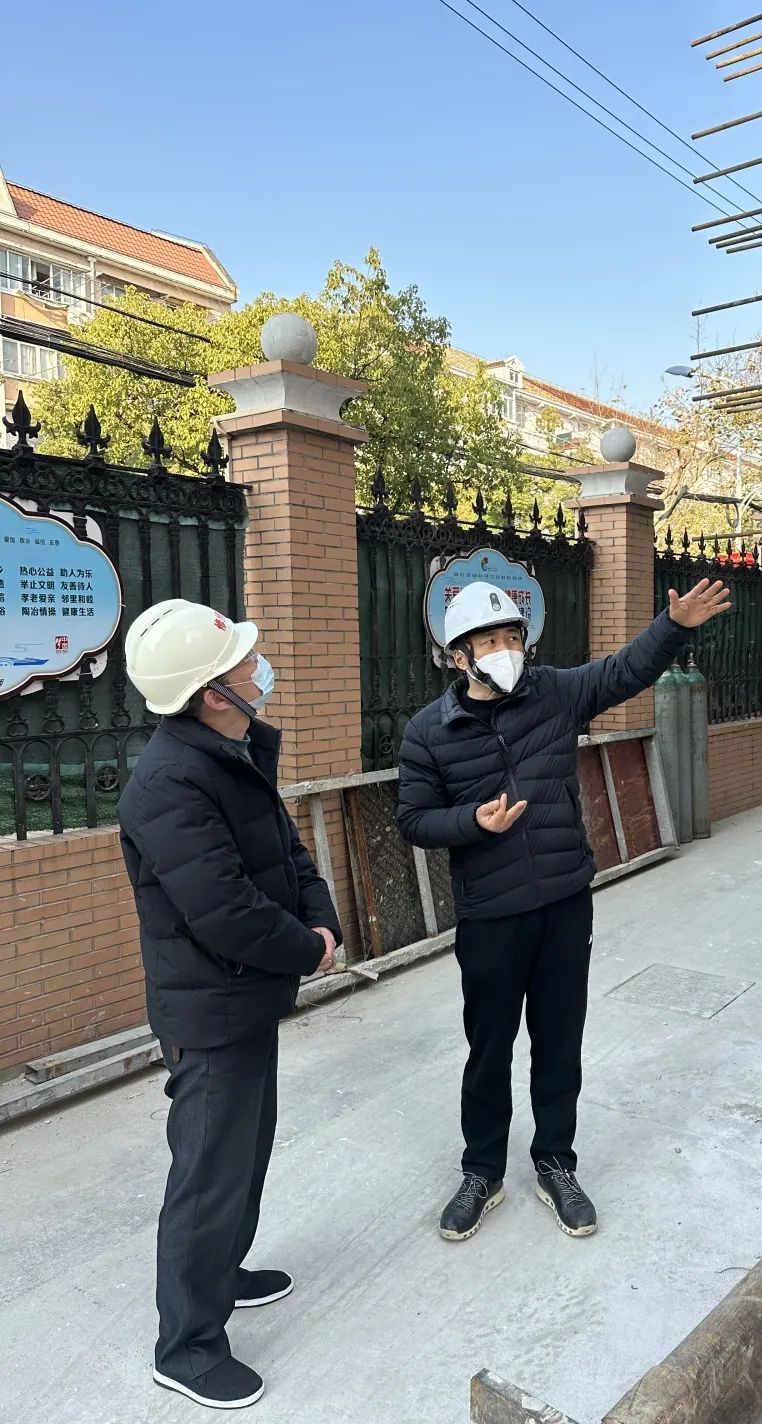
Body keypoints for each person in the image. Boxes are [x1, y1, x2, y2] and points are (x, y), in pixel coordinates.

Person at [396, 576, 730, 1242]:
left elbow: (625, 671)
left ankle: (556, 1163)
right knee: (488, 1052)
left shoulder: (553, 694)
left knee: (558, 1043)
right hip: (490, 916)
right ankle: (481, 1173)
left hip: (563, 904)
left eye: (511, 636)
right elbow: (413, 819)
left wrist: (675, 627)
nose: (504, 650)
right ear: (459, 656)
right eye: (488, 640)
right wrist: (471, 822)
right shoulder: (428, 732)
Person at [118, 599, 341, 1411]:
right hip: (209, 1014)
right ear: (213, 694)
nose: (259, 668)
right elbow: (224, 910)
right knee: (208, 1176)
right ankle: (186, 1347)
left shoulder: (228, 752)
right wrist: (308, 949)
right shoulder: (167, 784)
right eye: (245, 662)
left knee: (244, 1156)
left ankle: (224, 1273)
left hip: (245, 998)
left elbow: (287, 853)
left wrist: (322, 919)